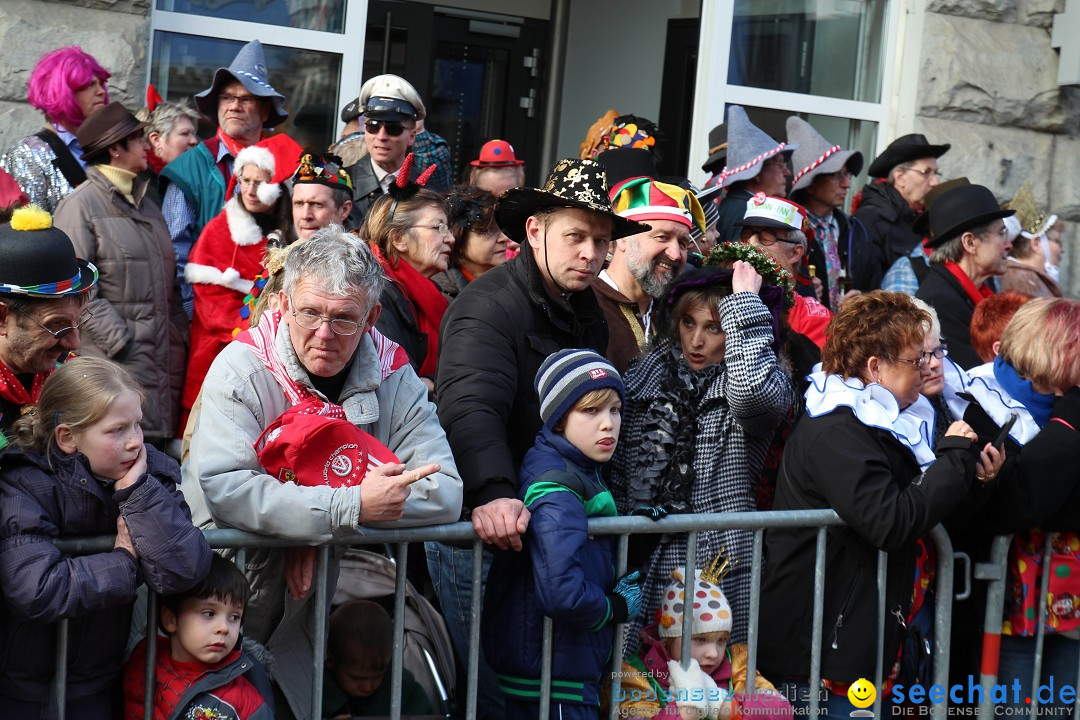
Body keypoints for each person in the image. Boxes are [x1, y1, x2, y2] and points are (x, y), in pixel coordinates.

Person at [181, 226, 461, 717]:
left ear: (372, 317)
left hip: (302, 611)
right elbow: (227, 489)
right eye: (309, 312)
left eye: (344, 319)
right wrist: (346, 508)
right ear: (285, 304)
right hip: (211, 593)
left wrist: (314, 524)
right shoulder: (242, 366)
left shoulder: (395, 373)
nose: (324, 334)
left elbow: (442, 492)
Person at [432, 158, 646, 718]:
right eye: (575, 236)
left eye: (601, 241)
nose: (589, 253)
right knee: (488, 694)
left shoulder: (588, 311)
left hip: (545, 528)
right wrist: (495, 491)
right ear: (534, 230)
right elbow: (468, 406)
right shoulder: (487, 306)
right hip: (485, 532)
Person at [759, 291, 1003, 716]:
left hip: (861, 642)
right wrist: (954, 459)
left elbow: (927, 508)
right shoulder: (837, 429)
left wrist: (973, 476)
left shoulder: (889, 419)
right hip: (822, 654)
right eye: (915, 359)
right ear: (875, 367)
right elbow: (890, 520)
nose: (929, 366)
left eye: (932, 355)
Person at [0, 356, 211, 718]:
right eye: (117, 431)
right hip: (20, 686)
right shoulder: (24, 483)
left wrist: (138, 495)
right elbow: (35, 588)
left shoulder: (149, 477)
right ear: (68, 437)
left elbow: (184, 570)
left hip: (99, 681)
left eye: (137, 426)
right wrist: (124, 562)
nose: (134, 443)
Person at [609, 263, 795, 649]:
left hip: (718, 561)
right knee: (640, 686)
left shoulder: (755, 380)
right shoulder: (645, 378)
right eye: (688, 323)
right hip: (643, 557)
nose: (696, 341)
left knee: (712, 689)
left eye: (714, 328)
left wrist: (743, 303)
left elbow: (753, 393)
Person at [483, 349, 643, 719]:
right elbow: (561, 591)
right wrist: (612, 608)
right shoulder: (557, 485)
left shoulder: (578, 469)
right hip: (553, 680)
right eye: (591, 411)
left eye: (615, 410)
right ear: (558, 421)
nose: (608, 424)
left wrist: (636, 538)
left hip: (558, 671)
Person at [54, 102, 188, 446]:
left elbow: (168, 288)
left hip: (160, 365)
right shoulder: (80, 206)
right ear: (115, 148)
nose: (147, 145)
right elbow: (77, 290)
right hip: (114, 365)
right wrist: (121, 341)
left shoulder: (148, 204)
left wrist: (177, 338)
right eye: (139, 138)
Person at [977, 298, 1080, 717]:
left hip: (1067, 595)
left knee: (1060, 706)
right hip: (1010, 599)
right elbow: (1020, 500)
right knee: (1012, 707)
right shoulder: (984, 396)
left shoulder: (1068, 406)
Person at [182, 134, 303, 430]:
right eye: (244, 180)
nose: (248, 189)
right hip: (223, 347)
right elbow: (212, 306)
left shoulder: (292, 230)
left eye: (258, 182)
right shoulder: (220, 230)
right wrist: (258, 333)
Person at [611, 566, 793, 720]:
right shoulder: (636, 675)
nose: (713, 653)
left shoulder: (737, 666)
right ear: (668, 639)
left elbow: (781, 710)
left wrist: (721, 703)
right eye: (700, 639)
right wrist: (688, 708)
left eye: (721, 640)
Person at [160, 40, 288, 256]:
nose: (234, 106)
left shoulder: (285, 166)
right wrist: (197, 291)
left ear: (265, 111)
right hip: (207, 287)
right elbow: (174, 251)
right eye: (226, 97)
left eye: (245, 98)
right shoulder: (187, 170)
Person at [122, 554, 274, 720]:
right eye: (209, 613)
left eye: (234, 617)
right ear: (170, 620)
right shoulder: (143, 662)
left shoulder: (245, 703)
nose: (224, 628)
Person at [0, 206, 97, 438]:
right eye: (57, 325)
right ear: (2, 319)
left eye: (78, 320)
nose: (74, 343)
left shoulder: (73, 379)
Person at [362, 154, 450, 388]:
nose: (449, 238)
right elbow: (400, 383)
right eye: (438, 227)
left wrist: (431, 382)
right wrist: (433, 384)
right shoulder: (373, 293)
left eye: (448, 228)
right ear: (399, 238)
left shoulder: (433, 293)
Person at [599, 176, 703, 373]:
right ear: (623, 238)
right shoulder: (585, 306)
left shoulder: (676, 315)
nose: (675, 254)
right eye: (662, 237)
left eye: (682, 243)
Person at [916, 183, 1015, 369]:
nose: (1008, 245)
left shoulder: (983, 289)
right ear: (970, 243)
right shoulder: (938, 301)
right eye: (1001, 234)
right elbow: (972, 374)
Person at [1, 46, 110, 212]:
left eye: (101, 83)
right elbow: (26, 231)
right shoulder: (27, 155)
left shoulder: (108, 146)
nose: (101, 91)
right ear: (62, 91)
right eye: (90, 85)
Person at [786, 116, 868, 306]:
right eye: (836, 175)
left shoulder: (854, 229)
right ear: (811, 185)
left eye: (847, 175)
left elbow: (870, 279)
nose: (847, 184)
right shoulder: (789, 231)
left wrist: (862, 301)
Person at [854, 134, 950, 289]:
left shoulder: (921, 217)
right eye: (926, 172)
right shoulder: (871, 219)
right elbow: (867, 290)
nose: (935, 182)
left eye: (935, 173)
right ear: (900, 177)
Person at [737, 195, 832, 349]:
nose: (751, 244)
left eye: (766, 237)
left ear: (795, 253)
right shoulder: (715, 296)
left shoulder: (812, 319)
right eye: (747, 235)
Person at [322, 600, 433, 718]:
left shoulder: (402, 688)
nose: (368, 687)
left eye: (377, 676)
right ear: (330, 660)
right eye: (357, 678)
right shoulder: (316, 690)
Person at [344, 74, 425, 229]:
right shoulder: (341, 187)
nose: (381, 136)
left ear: (412, 136)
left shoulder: (429, 191)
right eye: (373, 126)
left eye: (393, 129)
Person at [713, 106, 797, 243]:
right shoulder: (746, 212)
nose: (787, 173)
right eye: (780, 165)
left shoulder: (735, 205)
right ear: (757, 172)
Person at [438, 184, 509, 296]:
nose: (504, 238)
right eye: (489, 230)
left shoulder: (514, 282)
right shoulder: (441, 293)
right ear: (457, 237)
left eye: (502, 228)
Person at [999, 184, 1063, 298]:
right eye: (1057, 241)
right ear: (1036, 243)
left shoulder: (1030, 277)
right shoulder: (1020, 279)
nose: (1063, 250)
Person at [291, 150, 355, 241]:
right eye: (299, 203)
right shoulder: (276, 254)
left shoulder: (364, 255)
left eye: (316, 204)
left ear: (344, 210)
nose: (305, 215)